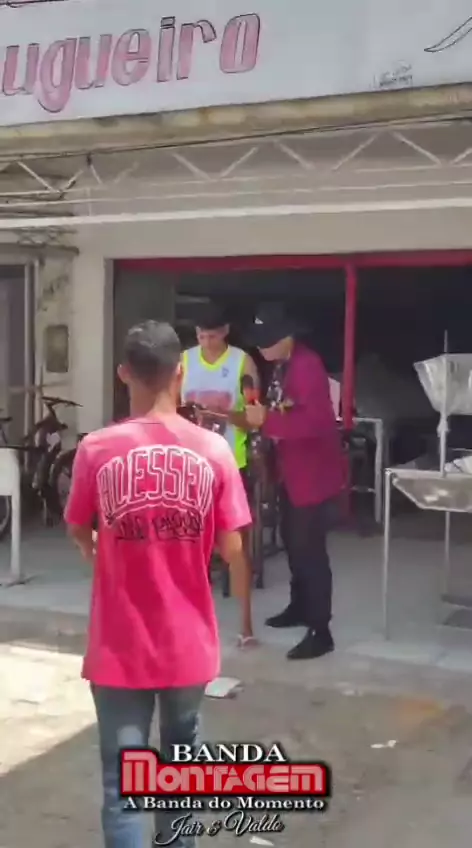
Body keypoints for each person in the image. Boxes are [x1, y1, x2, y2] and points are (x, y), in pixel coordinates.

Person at [64, 320, 254, 848]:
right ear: (180, 374)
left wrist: (99, 551)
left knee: (122, 784)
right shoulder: (214, 452)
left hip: (119, 645)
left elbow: (78, 527)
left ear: (124, 373)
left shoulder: (96, 449)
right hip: (187, 643)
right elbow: (233, 550)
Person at [245, 302, 344, 661]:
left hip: (312, 475)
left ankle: (321, 629)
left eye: (267, 340)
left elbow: (316, 423)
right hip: (290, 472)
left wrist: (266, 421)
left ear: (287, 336)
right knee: (292, 541)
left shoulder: (307, 366)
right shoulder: (282, 364)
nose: (261, 348)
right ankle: (299, 606)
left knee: (310, 551)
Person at [181, 301, 260, 487]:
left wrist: (224, 415)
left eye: (212, 337)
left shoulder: (243, 362)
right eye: (201, 336)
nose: (207, 343)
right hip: (189, 461)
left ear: (225, 331)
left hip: (230, 461)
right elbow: (169, 407)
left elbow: (255, 419)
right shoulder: (184, 360)